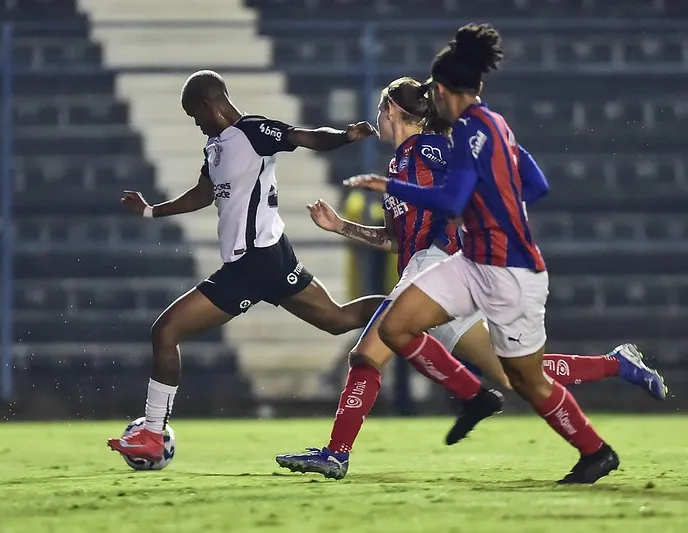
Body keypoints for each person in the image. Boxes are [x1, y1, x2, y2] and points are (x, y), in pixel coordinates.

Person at [275, 77, 667, 480]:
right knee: (514, 374)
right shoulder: (399, 164)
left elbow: (473, 182)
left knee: (368, 353)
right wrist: (341, 226)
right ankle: (615, 364)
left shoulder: (428, 147)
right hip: (429, 270)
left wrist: (477, 216)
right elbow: (394, 240)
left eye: (381, 110)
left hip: (438, 266)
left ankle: (338, 453)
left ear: (390, 110)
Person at [343, 24, 628, 484]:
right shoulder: (496, 126)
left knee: (527, 381)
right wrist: (496, 205)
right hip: (472, 261)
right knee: (396, 327)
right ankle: (472, 395)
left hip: (511, 273)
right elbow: (536, 185)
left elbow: (451, 203)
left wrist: (388, 185)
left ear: (439, 90)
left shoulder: (466, 135)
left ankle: (595, 451)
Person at [107, 70, 387, 461]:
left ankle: (153, 433)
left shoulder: (253, 131)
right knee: (337, 320)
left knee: (166, 331)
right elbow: (203, 194)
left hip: (253, 262)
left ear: (210, 104)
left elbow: (304, 137)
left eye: (194, 114)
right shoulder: (214, 147)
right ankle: (403, 309)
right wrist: (152, 211)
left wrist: (345, 136)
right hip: (269, 258)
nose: (195, 123)